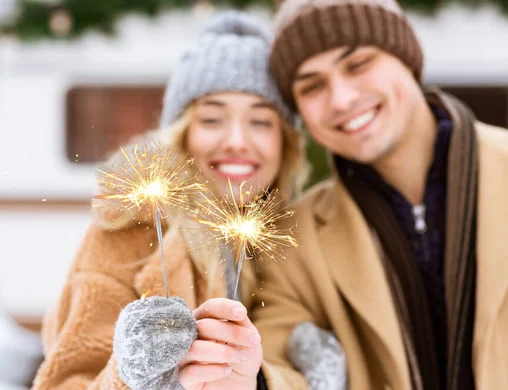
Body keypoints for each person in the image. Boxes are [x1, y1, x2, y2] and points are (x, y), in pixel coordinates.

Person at [239, 0, 508, 389]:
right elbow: (276, 366)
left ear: (408, 58)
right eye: (312, 85)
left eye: (358, 64)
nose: (342, 98)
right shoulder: (294, 240)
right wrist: (244, 375)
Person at [31, 10, 339, 390]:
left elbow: (265, 371)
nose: (238, 140)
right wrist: (132, 379)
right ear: (182, 135)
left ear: (286, 144)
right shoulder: (130, 229)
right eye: (212, 119)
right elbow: (63, 381)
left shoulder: (290, 243)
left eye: (261, 121)